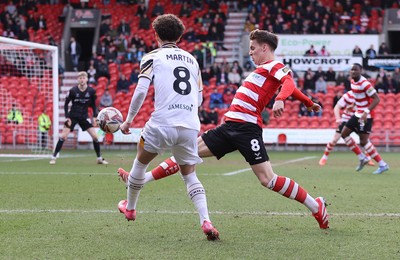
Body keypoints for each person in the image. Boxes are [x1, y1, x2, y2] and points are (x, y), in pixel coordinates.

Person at [119, 29, 329, 230]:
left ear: (265, 47)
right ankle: (139, 180)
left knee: (268, 179)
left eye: (253, 48)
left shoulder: (275, 65)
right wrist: (308, 102)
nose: (250, 52)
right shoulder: (263, 71)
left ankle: (315, 205)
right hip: (229, 126)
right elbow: (293, 88)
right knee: (186, 154)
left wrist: (281, 99)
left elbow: (289, 82)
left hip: (247, 129)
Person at [117, 14, 219, 241]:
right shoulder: (193, 60)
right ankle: (206, 220)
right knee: (190, 176)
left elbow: (141, 90)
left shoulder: (153, 56)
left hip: (162, 122)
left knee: (140, 162)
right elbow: (200, 99)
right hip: (190, 125)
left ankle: (131, 208)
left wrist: (128, 120)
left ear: (155, 35)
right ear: (180, 36)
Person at [50, 72, 108, 165]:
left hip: (83, 117)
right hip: (72, 116)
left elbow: (93, 105)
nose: (82, 79)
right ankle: (53, 157)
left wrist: (94, 116)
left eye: (83, 78)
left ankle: (99, 158)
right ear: (78, 80)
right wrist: (67, 117)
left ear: (87, 79)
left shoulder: (91, 91)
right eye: (80, 78)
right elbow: (65, 104)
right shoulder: (73, 91)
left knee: (95, 137)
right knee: (63, 136)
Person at [340, 64, 389, 174]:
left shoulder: (365, 83)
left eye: (355, 70)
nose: (353, 72)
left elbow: (377, 99)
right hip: (358, 113)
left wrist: (366, 112)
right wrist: (353, 105)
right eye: (351, 70)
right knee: (344, 133)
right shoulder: (352, 81)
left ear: (360, 71)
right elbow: (358, 96)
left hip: (367, 116)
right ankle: (362, 157)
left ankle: (382, 164)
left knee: (363, 141)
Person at [319, 90, 374, 166]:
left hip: (358, 119)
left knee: (365, 139)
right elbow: (337, 107)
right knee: (335, 139)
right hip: (347, 120)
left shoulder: (364, 95)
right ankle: (324, 157)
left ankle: (368, 158)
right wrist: (338, 118)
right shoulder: (347, 95)